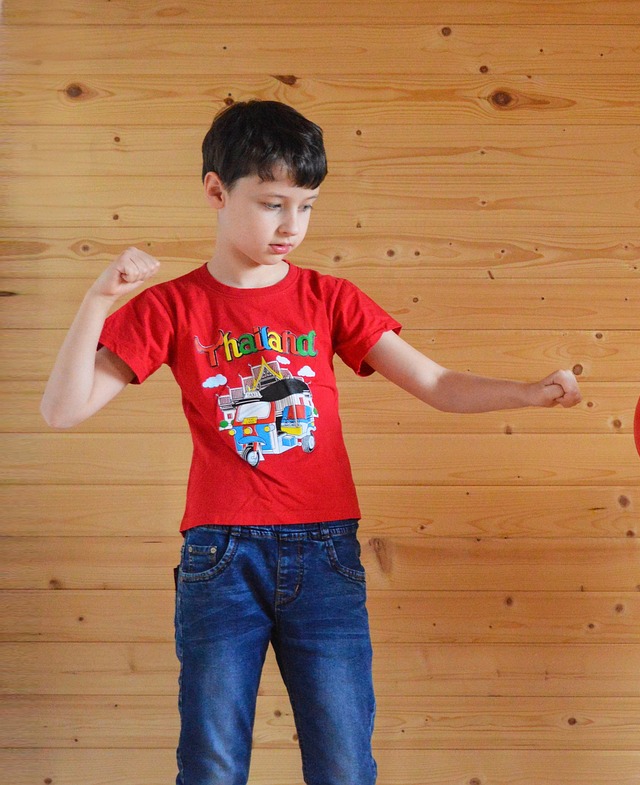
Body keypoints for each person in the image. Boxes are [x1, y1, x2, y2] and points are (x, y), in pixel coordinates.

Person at [40, 100, 582, 785]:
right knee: (210, 767)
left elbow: (437, 382)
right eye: (272, 204)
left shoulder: (329, 299)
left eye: (307, 206)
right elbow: (61, 411)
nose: (291, 226)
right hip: (220, 559)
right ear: (215, 190)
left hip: (326, 556)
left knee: (345, 765)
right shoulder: (171, 307)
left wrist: (529, 392)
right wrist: (97, 300)